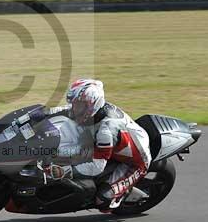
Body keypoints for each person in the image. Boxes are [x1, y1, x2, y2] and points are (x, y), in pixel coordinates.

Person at [28, 78, 152, 212]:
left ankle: (122, 193)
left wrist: (65, 171)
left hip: (135, 162)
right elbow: (58, 111)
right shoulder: (89, 111)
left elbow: (96, 167)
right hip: (111, 147)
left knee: (103, 200)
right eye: (74, 104)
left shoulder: (106, 130)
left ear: (93, 104)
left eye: (79, 105)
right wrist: (34, 117)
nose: (75, 108)